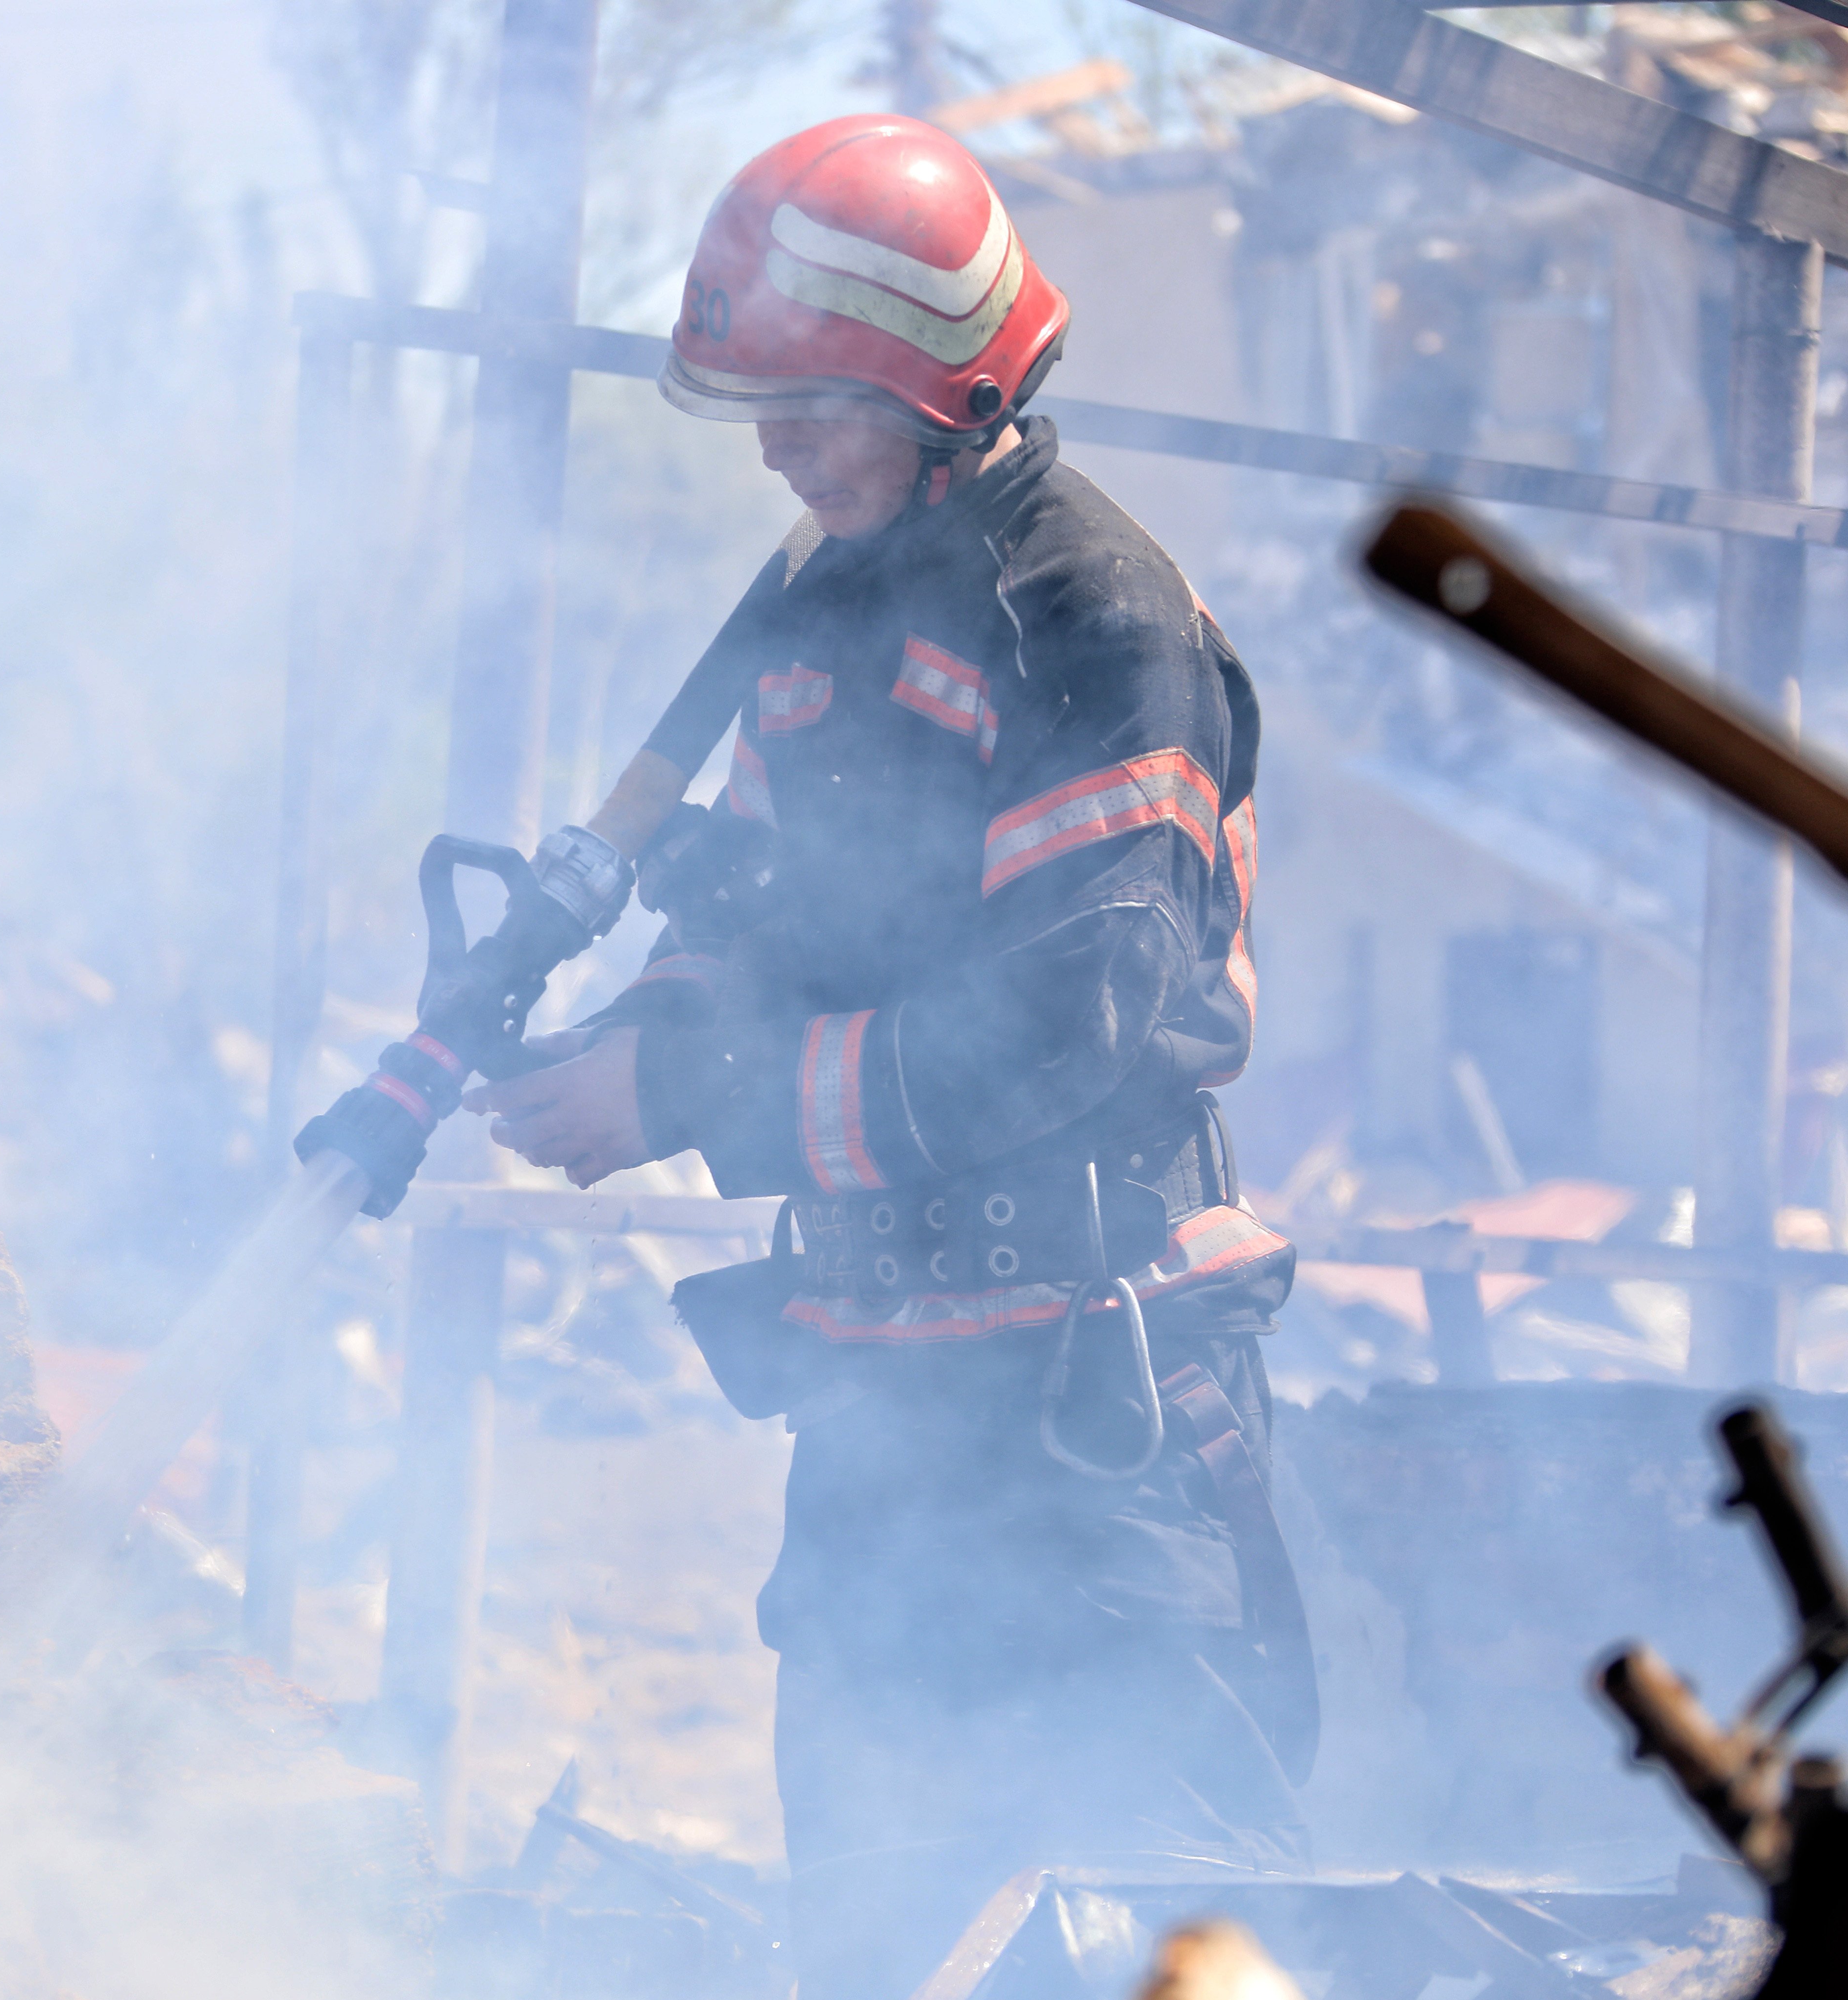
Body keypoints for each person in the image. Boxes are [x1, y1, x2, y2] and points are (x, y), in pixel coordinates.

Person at [461, 114, 1315, 2000]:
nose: (769, 445)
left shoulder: (1092, 623)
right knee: (870, 1945)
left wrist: (682, 1100)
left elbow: (1060, 1027)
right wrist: (637, 1031)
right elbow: (762, 921)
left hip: (1093, 1424)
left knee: (1146, 1936)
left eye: (808, 405)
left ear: (940, 389)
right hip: (877, 1432)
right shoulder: (820, 619)